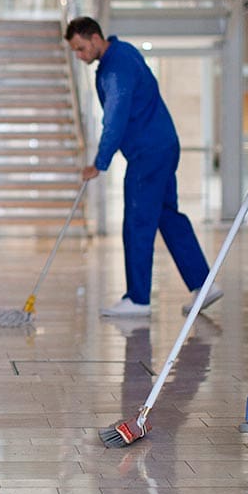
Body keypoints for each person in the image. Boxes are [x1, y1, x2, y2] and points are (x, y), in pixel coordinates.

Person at [65, 16, 220, 320]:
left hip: (148, 154)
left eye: (81, 49)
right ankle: (203, 284)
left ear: (96, 38)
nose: (80, 56)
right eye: (75, 51)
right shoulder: (125, 52)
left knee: (137, 223)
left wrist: (100, 161)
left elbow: (116, 116)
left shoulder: (115, 67)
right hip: (163, 145)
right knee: (167, 216)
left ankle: (138, 299)